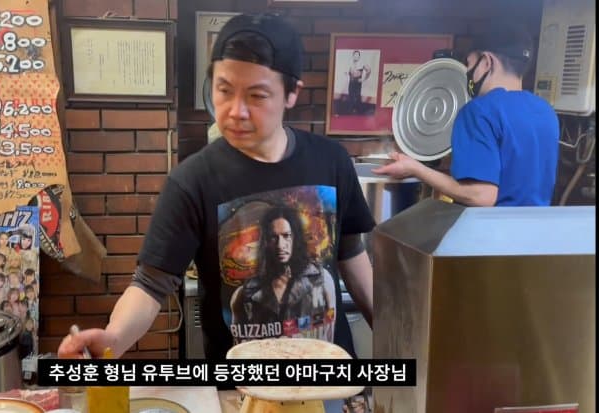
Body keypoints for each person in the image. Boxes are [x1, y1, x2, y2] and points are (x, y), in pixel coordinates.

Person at [59, 13, 375, 366]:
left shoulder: (331, 161)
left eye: (257, 96)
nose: (236, 111)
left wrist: (397, 332)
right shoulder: (192, 181)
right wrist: (115, 338)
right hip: (240, 387)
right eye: (224, 90)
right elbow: (150, 284)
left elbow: (352, 255)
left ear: (291, 94)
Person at [373, 25, 559, 206]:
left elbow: (481, 196)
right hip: (536, 226)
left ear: (487, 62)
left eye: (469, 64)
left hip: (490, 226)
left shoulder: (479, 110)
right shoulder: (546, 112)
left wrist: (415, 168)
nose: (467, 72)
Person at [229, 206, 336, 342]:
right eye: (274, 237)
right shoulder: (244, 294)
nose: (280, 245)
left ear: (295, 238)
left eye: (286, 236)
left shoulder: (321, 280)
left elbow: (329, 338)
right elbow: (239, 347)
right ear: (266, 242)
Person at [345, 50, 372, 115]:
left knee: (357, 97)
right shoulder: (350, 64)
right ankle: (350, 112)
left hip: (357, 83)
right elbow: (347, 73)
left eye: (357, 55)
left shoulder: (362, 64)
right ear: (353, 56)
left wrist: (364, 79)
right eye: (355, 55)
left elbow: (369, 70)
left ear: (359, 57)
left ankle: (358, 112)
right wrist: (347, 75)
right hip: (351, 83)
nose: (356, 56)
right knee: (350, 97)